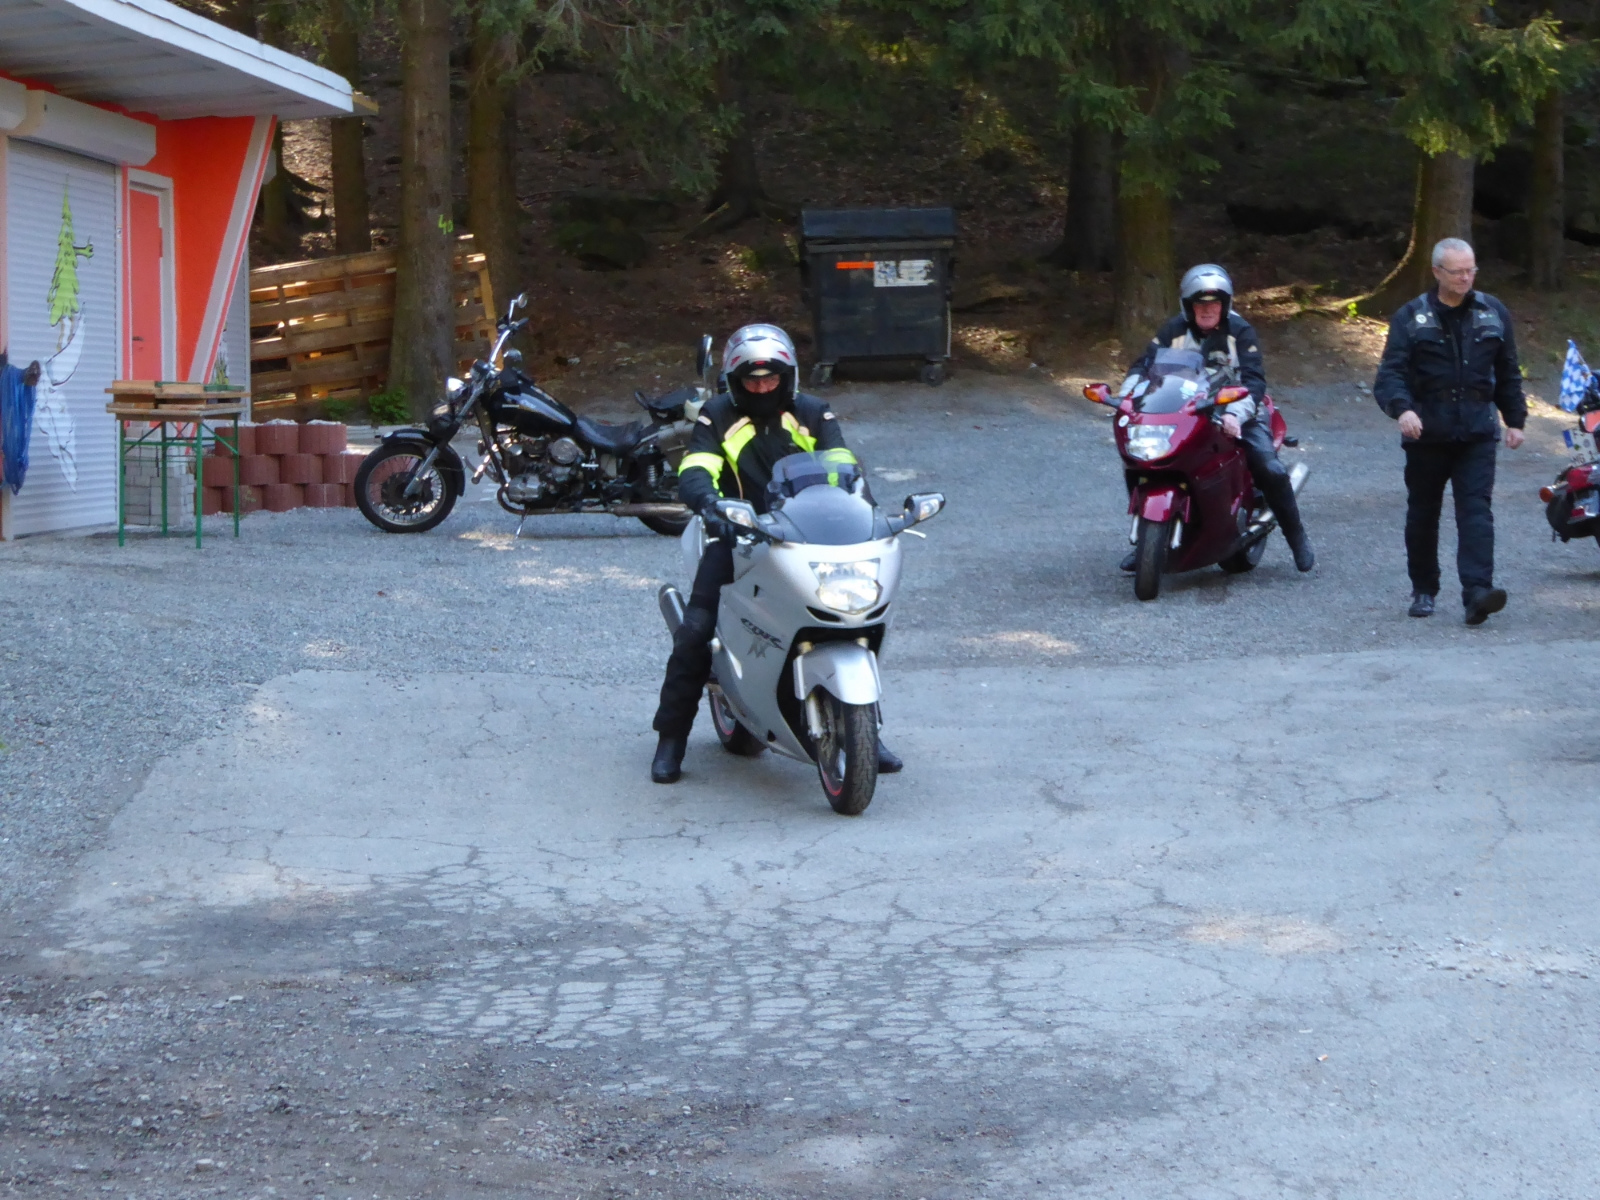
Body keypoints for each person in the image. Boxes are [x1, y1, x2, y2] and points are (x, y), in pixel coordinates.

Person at [650, 323, 903, 783]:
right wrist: (710, 505)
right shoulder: (716, 416)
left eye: (771, 379)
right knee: (695, 632)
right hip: (741, 535)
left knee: (855, 618)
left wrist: (866, 510)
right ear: (735, 381)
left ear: (788, 377)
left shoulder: (813, 412)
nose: (763, 388)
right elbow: (697, 468)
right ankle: (672, 739)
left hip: (808, 537)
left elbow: (845, 468)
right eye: (752, 381)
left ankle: (865, 729)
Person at [1122, 263, 1315, 573]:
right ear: (1188, 305)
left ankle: (1297, 537)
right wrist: (1128, 398)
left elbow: (1254, 381)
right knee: (1143, 459)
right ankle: (1146, 538)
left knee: (1269, 467)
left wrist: (1236, 414)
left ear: (1225, 304)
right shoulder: (1173, 330)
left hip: (1239, 409)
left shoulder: (1240, 331)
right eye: (1200, 303)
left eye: (1215, 302)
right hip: (1188, 411)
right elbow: (1143, 366)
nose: (1208, 309)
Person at [1373, 237, 1525, 625]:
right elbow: (1390, 374)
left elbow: (1507, 370)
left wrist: (1516, 419)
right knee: (1423, 513)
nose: (1465, 278)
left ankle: (1478, 593)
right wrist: (1403, 410)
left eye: (1471, 270)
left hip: (1476, 431)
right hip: (1427, 432)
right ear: (1437, 272)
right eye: (1457, 271)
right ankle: (1424, 589)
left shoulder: (1493, 313)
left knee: (1476, 512)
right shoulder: (1411, 317)